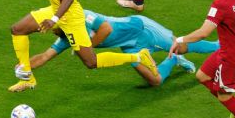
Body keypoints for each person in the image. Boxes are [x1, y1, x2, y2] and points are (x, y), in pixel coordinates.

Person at [0, 0, 158, 92]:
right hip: (55, 10)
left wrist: (54, 20)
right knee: (17, 29)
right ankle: (28, 78)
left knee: (91, 62)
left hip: (70, 17)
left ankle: (139, 56)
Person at [24, 7, 219, 86]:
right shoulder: (67, 38)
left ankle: (219, 46)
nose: (53, 32)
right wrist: (23, 66)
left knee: (181, 45)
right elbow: (44, 56)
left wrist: (88, 47)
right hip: (130, 47)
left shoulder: (81, 16)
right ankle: (173, 60)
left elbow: (106, 29)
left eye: (53, 29)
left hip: (141, 29)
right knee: (155, 81)